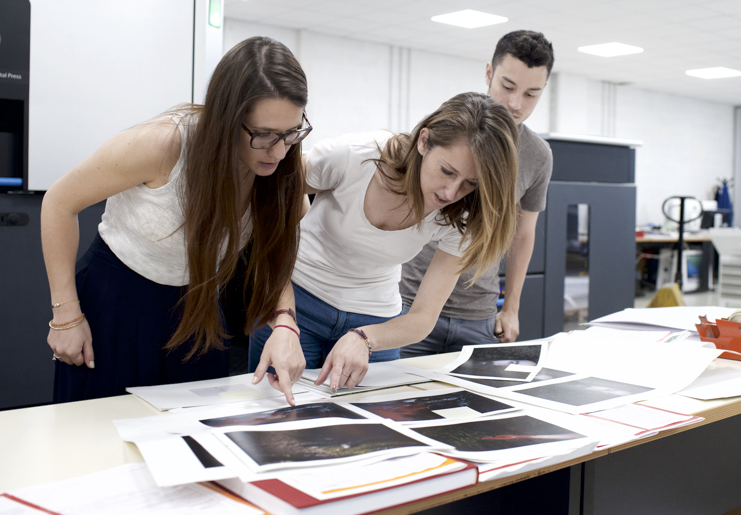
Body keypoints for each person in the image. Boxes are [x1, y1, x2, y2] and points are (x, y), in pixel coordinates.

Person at [42, 37, 308, 405]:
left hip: (195, 308)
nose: (279, 150)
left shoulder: (281, 168)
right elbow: (58, 203)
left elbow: (277, 255)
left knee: (196, 434)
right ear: (227, 118)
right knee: (102, 432)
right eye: (263, 135)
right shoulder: (164, 143)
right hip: (118, 301)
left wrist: (285, 322)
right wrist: (66, 316)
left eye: (291, 132)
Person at [250, 92, 519, 392]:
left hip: (376, 319)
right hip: (297, 303)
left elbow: (423, 318)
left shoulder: (462, 214)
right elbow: (271, 193)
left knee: (368, 433)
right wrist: (284, 312)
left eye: (470, 183)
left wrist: (366, 338)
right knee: (275, 415)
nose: (451, 192)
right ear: (424, 141)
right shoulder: (357, 156)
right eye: (447, 171)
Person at [399, 30, 554, 356]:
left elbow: (523, 235)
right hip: (410, 302)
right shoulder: (450, 127)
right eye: (508, 87)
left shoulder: (537, 155)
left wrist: (510, 307)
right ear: (489, 73)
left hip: (477, 315)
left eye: (531, 94)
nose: (515, 103)